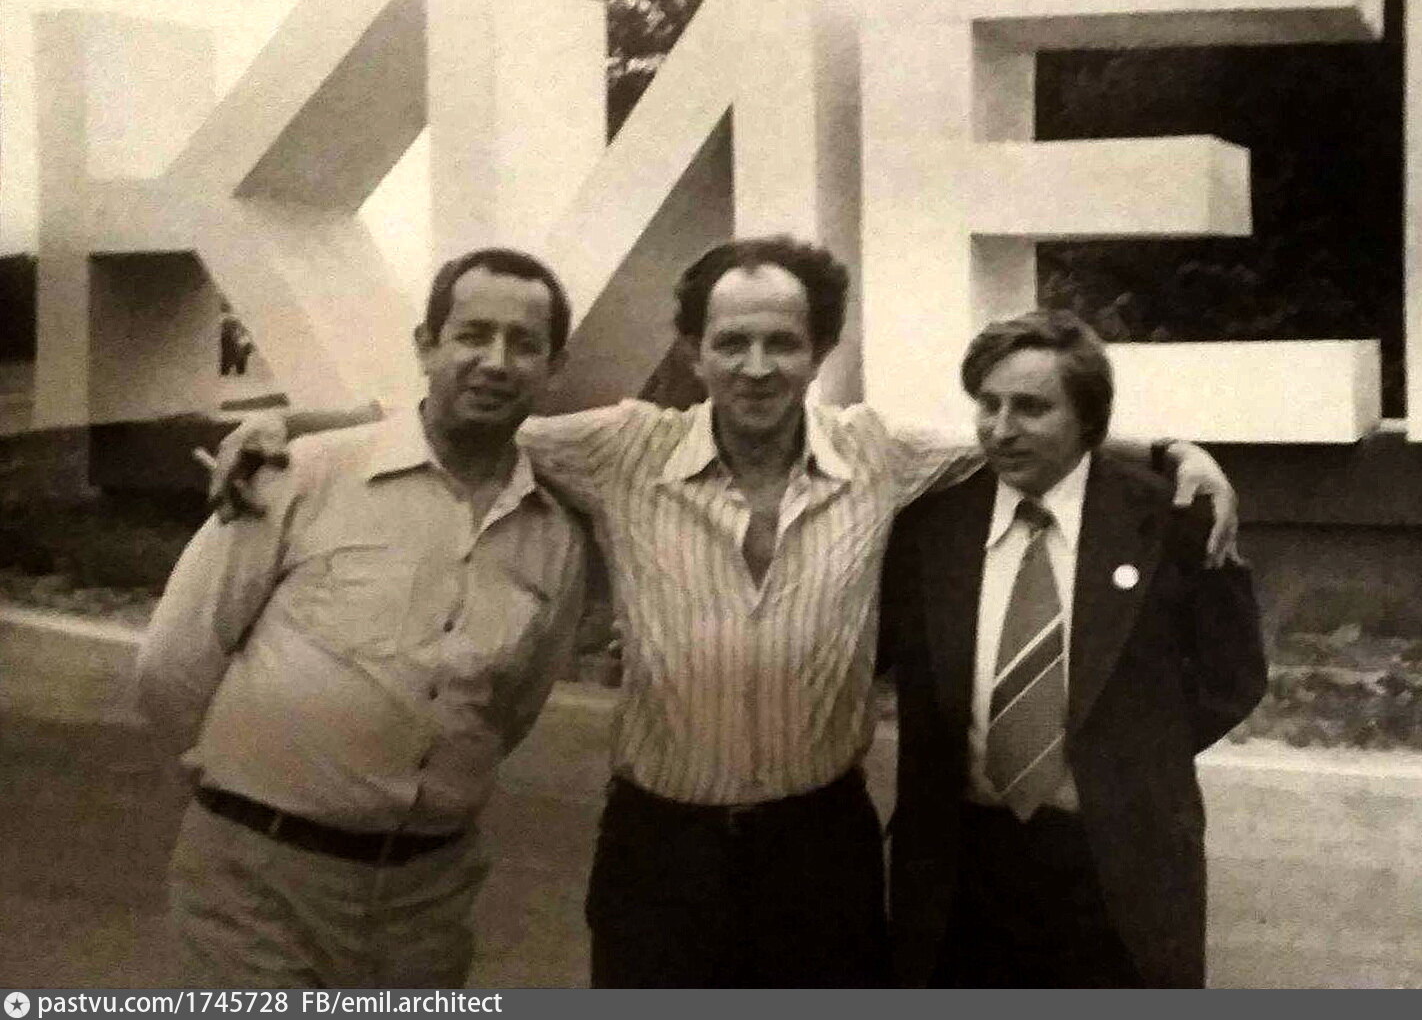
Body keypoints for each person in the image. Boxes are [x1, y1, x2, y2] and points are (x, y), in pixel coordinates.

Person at [205, 234, 1239, 987]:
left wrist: (1169, 450)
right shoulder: (621, 449)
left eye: (782, 343)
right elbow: (464, 415)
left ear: (818, 351)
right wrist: (290, 425)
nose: (756, 367)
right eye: (731, 341)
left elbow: (1025, 435)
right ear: (693, 350)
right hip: (661, 851)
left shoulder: (879, 453)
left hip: (820, 847)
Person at [137, 248, 592, 987]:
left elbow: (510, 709)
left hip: (425, 905)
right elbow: (174, 660)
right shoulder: (301, 475)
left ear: (554, 367)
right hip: (257, 888)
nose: (495, 361)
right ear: (426, 346)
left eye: (524, 343)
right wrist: (228, 793)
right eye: (472, 334)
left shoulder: (554, 535)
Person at [879, 309, 1268, 987]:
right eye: (988, 405)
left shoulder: (1169, 519)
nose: (1001, 429)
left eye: (1031, 408)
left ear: (1088, 418)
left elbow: (1231, 676)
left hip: (1115, 863)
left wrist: (1124, 754)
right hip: (961, 869)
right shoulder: (928, 526)